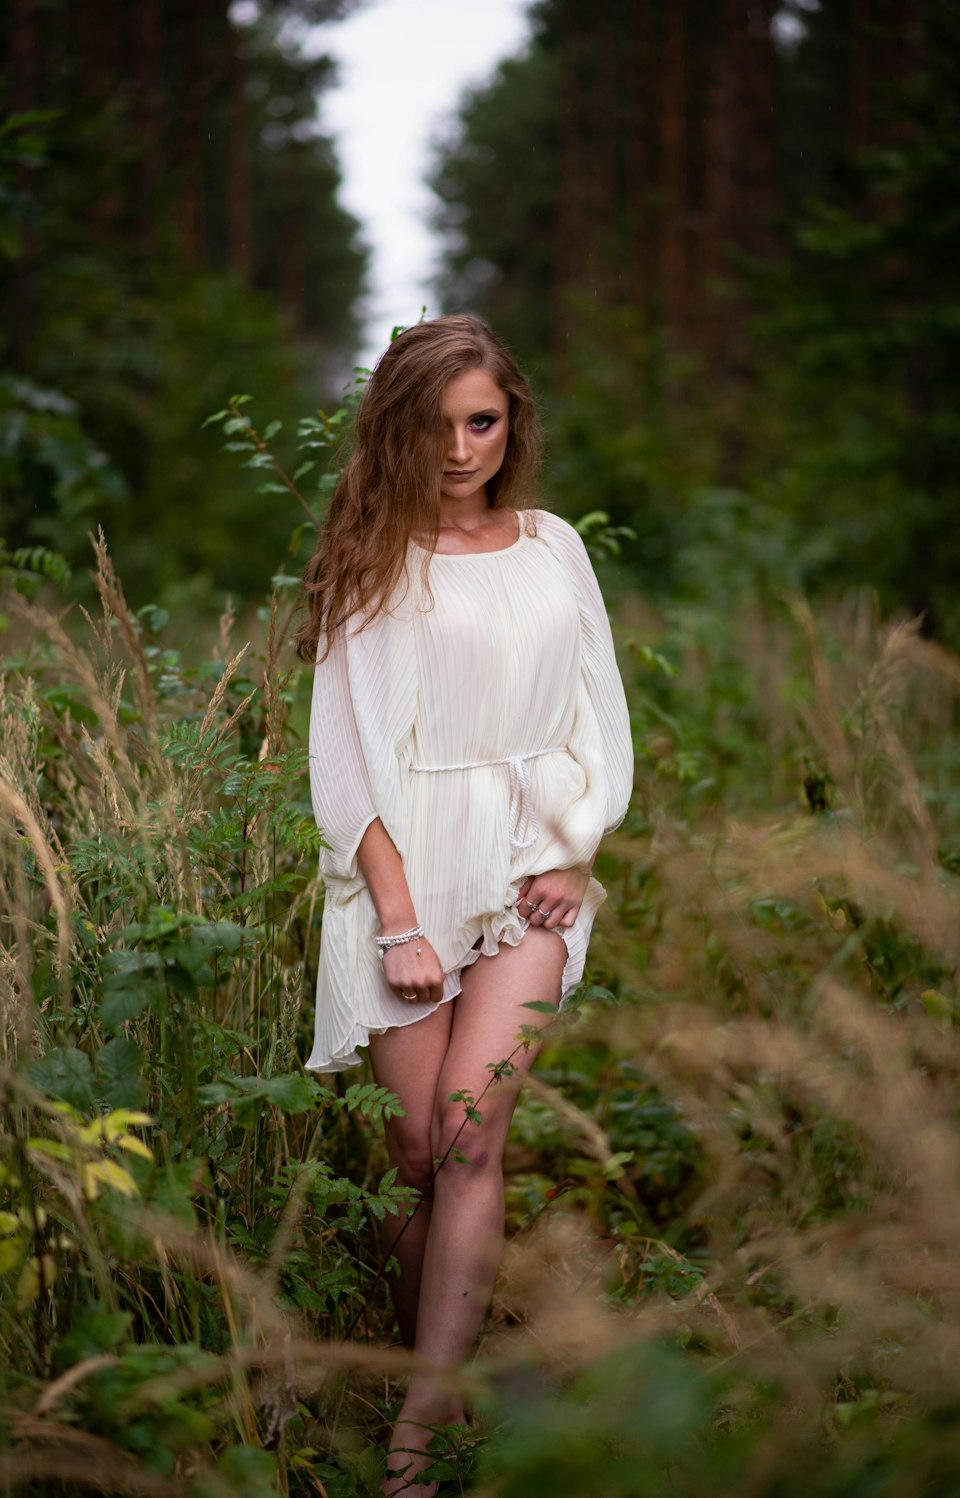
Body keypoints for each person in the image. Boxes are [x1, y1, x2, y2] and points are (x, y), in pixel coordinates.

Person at [296, 315, 632, 1495]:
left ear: (511, 420)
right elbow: (342, 760)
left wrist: (577, 850)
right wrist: (399, 917)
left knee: (467, 1134)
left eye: (481, 420)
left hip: (531, 866)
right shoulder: (372, 552)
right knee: (407, 1155)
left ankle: (415, 1441)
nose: (460, 448)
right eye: (435, 424)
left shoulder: (551, 546)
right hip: (404, 872)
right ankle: (427, 1361)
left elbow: (600, 713)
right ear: (397, 426)